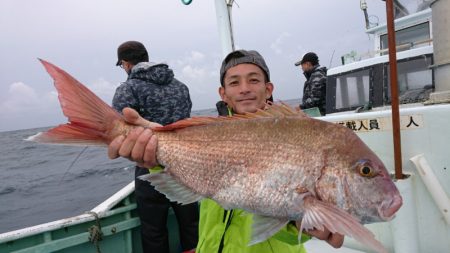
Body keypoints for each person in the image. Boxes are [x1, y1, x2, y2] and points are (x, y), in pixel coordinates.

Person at [109, 49, 345, 252]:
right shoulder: (210, 132)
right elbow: (187, 166)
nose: (244, 89)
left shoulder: (294, 134)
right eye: (234, 82)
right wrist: (155, 154)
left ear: (268, 88)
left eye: (253, 80)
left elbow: (288, 223)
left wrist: (298, 223)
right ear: (223, 94)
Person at [112, 40, 198, 253]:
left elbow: (116, 127)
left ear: (126, 64)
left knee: (153, 228)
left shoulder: (128, 88)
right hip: (185, 162)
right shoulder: (180, 85)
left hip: (148, 163)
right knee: (191, 224)